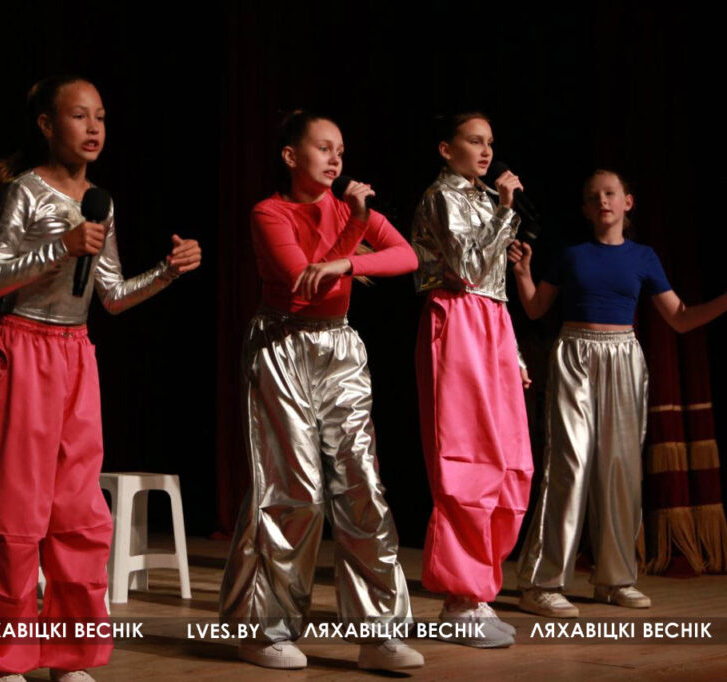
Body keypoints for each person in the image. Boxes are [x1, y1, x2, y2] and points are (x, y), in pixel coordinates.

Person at [0, 75, 201, 682]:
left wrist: (167, 272)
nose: (94, 128)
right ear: (47, 125)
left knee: (78, 512)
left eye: (101, 116)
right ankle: (5, 659)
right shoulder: (25, 191)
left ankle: (70, 656)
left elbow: (113, 296)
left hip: (76, 356)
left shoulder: (101, 201)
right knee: (14, 511)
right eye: (79, 116)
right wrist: (60, 248)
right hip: (22, 350)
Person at [219, 110, 424, 672]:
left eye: (340, 150)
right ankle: (264, 629)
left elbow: (408, 257)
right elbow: (301, 283)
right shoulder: (270, 211)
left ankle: (378, 632)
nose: (336, 159)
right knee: (295, 490)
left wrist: (347, 254)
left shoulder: (348, 208)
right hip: (283, 345)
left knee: (363, 486)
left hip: (339, 348)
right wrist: (353, 237)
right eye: (323, 148)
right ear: (291, 156)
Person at [512, 169, 727, 617]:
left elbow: (680, 318)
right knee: (569, 467)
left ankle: (614, 579)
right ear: (586, 209)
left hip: (624, 357)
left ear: (627, 202)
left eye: (610, 194)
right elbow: (534, 308)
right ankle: (541, 583)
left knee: (620, 468)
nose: (602, 201)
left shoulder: (643, 256)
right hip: (575, 356)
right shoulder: (571, 255)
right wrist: (523, 272)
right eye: (593, 197)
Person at [411, 112, 532, 648]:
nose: (485, 151)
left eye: (490, 142)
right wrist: (505, 211)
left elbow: (495, 284)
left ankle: (479, 589)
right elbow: (466, 268)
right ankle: (459, 599)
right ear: (446, 148)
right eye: (474, 141)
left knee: (512, 461)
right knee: (467, 459)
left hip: (492, 323)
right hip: (457, 318)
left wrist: (514, 353)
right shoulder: (441, 197)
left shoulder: (485, 199)